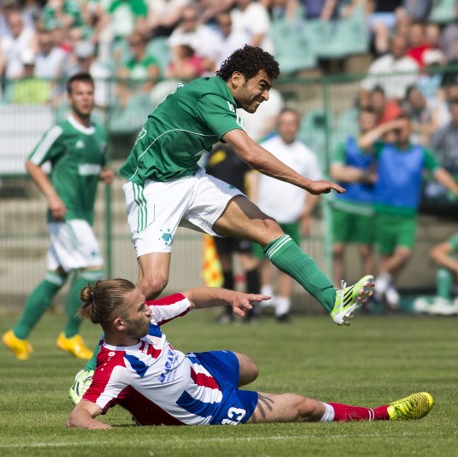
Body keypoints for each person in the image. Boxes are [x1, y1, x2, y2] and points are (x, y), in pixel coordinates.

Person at [71, 45, 376, 398]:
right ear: (236, 79)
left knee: (268, 229)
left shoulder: (220, 100)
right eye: (261, 85)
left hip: (188, 178)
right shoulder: (209, 97)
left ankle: (333, 301)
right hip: (152, 186)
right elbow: (250, 155)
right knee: (152, 282)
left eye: (269, 89)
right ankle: (94, 369)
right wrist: (307, 182)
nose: (265, 95)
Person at [66, 278, 434, 426]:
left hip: (201, 370)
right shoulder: (114, 367)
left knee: (249, 365)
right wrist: (103, 430)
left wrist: (232, 297)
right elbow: (77, 417)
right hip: (211, 409)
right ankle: (381, 414)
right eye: (141, 308)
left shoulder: (143, 317)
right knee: (301, 405)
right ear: (118, 325)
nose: (150, 309)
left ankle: (143, 407)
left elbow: (193, 297)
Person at [2, 72, 114, 361]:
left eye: (89, 93)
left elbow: (93, 167)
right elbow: (32, 162)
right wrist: (52, 196)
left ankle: (18, 334)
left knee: (56, 276)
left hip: (82, 215)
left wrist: (103, 174)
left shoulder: (99, 133)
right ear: (69, 97)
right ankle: (69, 335)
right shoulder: (60, 130)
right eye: (79, 93)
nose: (86, 98)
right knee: (93, 271)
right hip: (66, 214)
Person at [358, 115, 458, 309]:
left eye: (402, 128)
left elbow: (439, 173)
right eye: (397, 129)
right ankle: (387, 289)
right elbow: (363, 142)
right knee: (386, 257)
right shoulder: (383, 149)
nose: (399, 132)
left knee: (403, 254)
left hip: (407, 212)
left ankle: (379, 285)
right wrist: (389, 124)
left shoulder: (420, 153)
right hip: (383, 210)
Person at [253, 108, 323, 322]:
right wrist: (252, 203)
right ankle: (264, 299)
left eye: (292, 123)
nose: (288, 127)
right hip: (265, 215)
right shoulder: (266, 148)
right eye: (284, 123)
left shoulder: (306, 154)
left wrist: (307, 212)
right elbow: (254, 177)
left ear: (298, 126)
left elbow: (316, 184)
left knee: (288, 265)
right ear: (278, 125)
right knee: (261, 262)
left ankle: (283, 307)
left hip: (291, 216)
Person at [204, 142, 261, 324]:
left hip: (240, 216)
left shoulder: (241, 151)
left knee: (247, 262)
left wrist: (252, 209)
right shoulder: (212, 155)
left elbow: (253, 180)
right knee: (225, 263)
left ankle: (253, 313)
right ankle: (228, 312)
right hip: (217, 217)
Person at [329, 108, 377, 289]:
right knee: (337, 250)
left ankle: (366, 294)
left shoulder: (378, 148)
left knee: (365, 251)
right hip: (343, 203)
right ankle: (337, 291)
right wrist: (365, 175)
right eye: (363, 120)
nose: (366, 124)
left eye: (370, 121)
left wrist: (350, 173)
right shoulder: (346, 144)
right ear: (359, 122)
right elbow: (336, 172)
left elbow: (378, 176)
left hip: (365, 205)